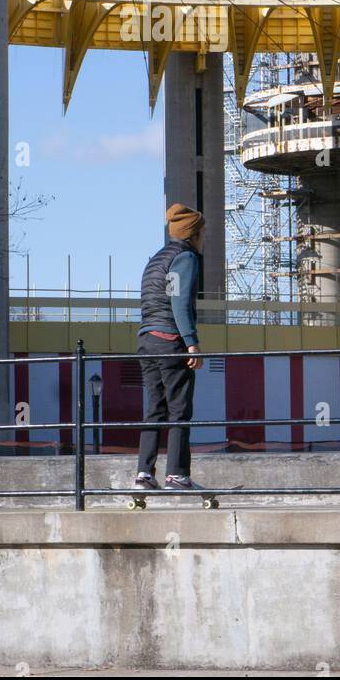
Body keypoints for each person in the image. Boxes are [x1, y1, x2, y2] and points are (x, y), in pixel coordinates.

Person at [134, 203, 205, 492]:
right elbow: (178, 301)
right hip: (170, 340)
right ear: (193, 234)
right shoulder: (185, 257)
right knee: (179, 409)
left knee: (155, 409)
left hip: (146, 339)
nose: (204, 238)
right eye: (203, 232)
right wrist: (191, 343)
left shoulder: (155, 259)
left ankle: (144, 474)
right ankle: (177, 474)